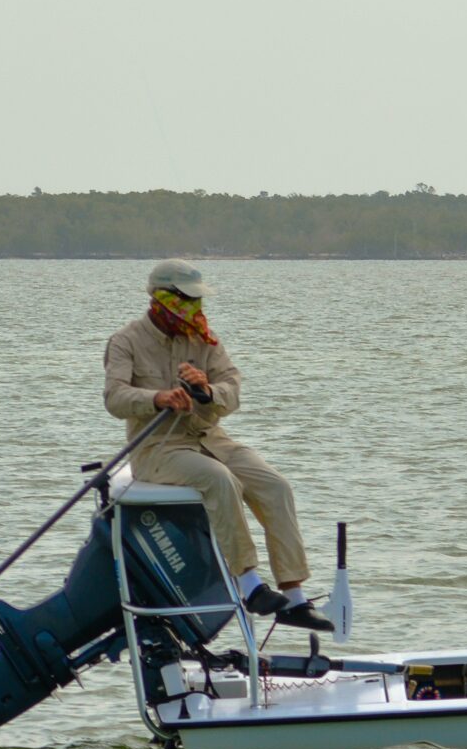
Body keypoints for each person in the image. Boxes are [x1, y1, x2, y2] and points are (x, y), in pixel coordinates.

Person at [103, 260, 334, 634]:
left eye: (197, 300)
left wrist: (208, 391)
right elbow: (114, 397)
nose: (195, 309)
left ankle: (293, 598)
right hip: (158, 448)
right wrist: (158, 397)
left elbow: (232, 390)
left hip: (211, 439)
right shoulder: (125, 341)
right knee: (220, 480)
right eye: (187, 300)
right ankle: (250, 585)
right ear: (162, 300)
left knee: (275, 486)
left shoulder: (204, 340)